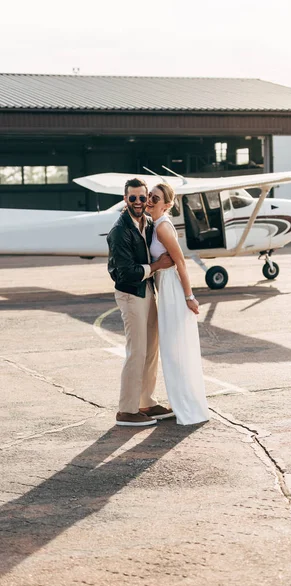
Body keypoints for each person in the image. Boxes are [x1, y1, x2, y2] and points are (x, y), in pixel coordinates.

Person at [107, 178, 175, 427]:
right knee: (136, 351)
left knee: (150, 348)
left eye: (142, 197)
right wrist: (157, 266)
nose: (138, 202)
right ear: (125, 199)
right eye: (132, 197)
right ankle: (126, 410)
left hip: (146, 291)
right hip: (131, 293)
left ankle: (146, 401)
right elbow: (125, 272)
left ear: (148, 198)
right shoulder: (119, 231)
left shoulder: (146, 221)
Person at [146, 182, 210, 425]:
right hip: (165, 287)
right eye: (150, 195)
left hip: (172, 290)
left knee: (175, 350)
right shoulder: (156, 224)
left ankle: (185, 405)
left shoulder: (162, 227)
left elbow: (181, 262)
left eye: (156, 197)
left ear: (168, 204)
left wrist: (188, 296)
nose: (150, 200)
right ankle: (180, 401)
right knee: (173, 349)